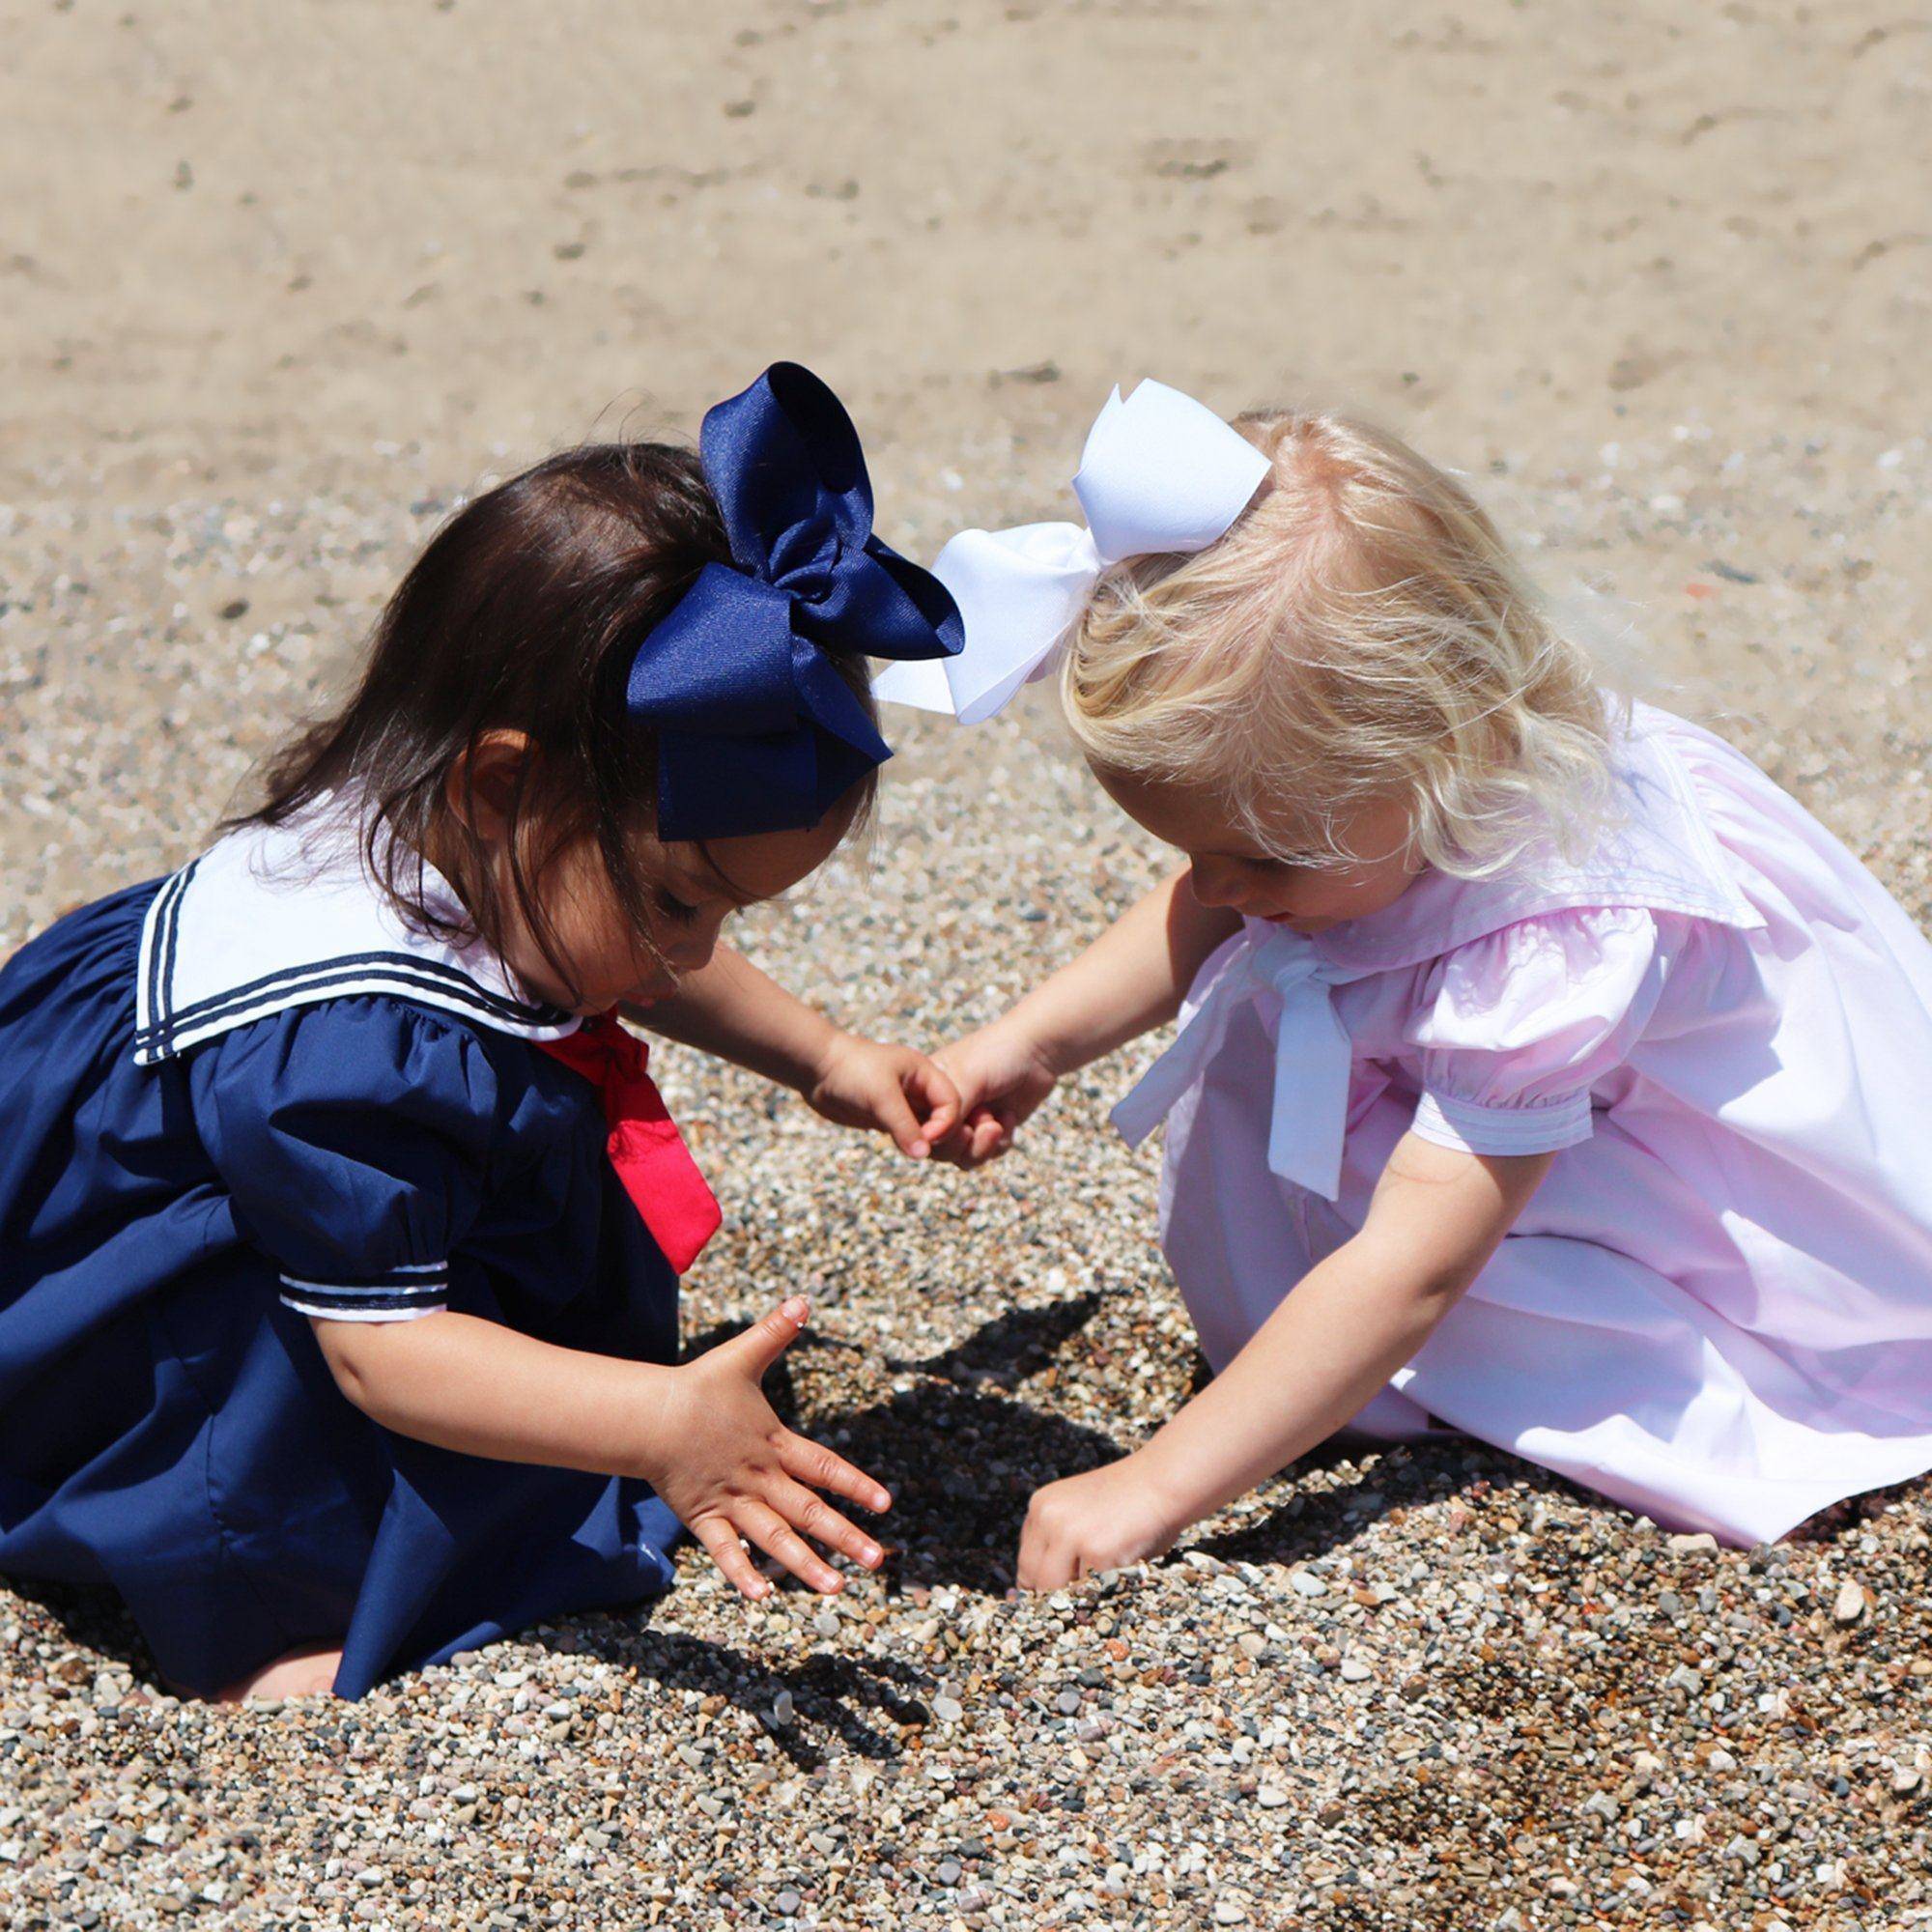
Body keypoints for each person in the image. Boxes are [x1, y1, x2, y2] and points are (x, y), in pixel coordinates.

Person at [0, 363, 965, 1698]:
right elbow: (381, 1351)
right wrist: (657, 1424)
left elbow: (625, 951)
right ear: (501, 782)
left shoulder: (475, 841)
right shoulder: (343, 1053)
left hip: (289, 1149)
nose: (690, 954)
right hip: (166, 1277)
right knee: (289, 1453)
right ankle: (261, 1634)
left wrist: (823, 1057)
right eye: (684, 903)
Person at [893, 379, 1932, 1583]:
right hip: (1555, 1094)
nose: (1220, 889)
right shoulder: (1360, 817)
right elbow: (1207, 907)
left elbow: (1413, 1265)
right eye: (1199, 851)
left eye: (1261, 856)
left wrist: (1156, 1481)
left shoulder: (1545, 950)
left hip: (1712, 1172)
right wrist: (1033, 1040)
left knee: (1510, 1305)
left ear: (1439, 746)